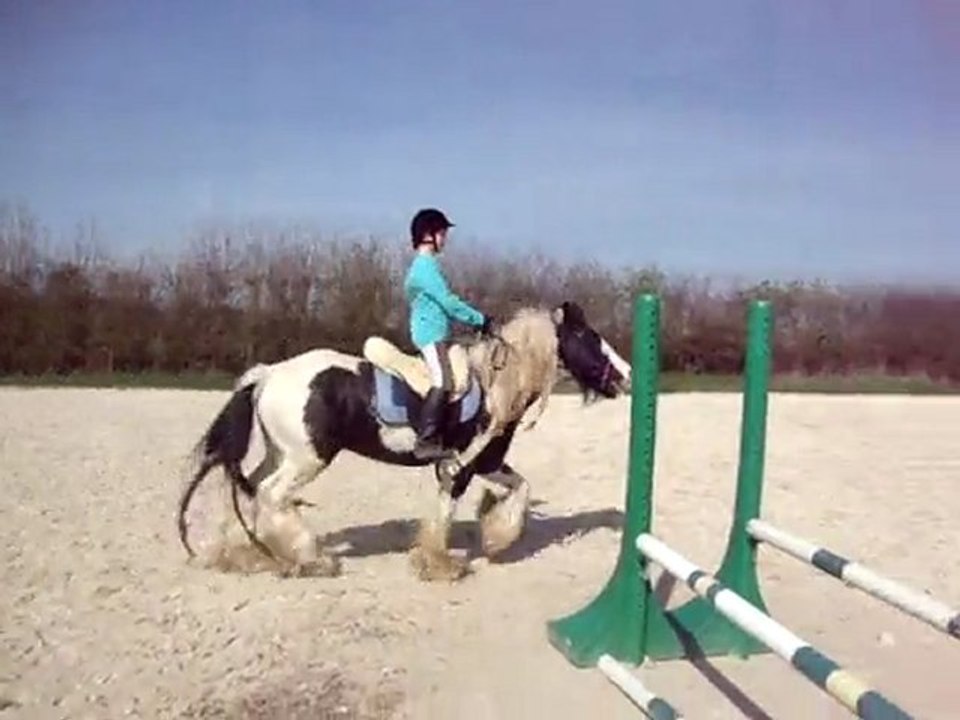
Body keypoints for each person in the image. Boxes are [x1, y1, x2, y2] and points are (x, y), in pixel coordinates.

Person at [403, 207, 495, 460]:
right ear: (429, 235)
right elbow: (449, 302)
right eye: (443, 233)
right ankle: (426, 440)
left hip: (437, 334)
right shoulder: (425, 268)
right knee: (442, 380)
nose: (446, 239)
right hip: (428, 336)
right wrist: (479, 319)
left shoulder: (427, 266)